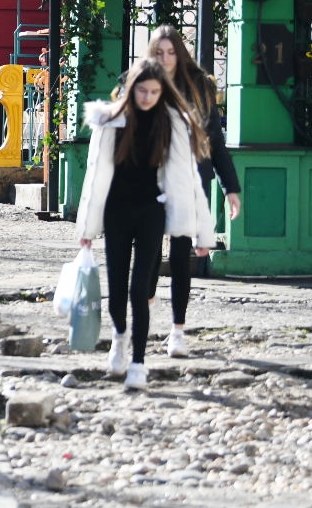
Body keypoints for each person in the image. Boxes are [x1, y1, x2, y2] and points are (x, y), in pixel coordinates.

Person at [76, 58, 216, 390]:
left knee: (141, 289)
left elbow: (188, 180)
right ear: (132, 89)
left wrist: (201, 230)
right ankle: (119, 337)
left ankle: (139, 363)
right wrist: (86, 229)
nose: (148, 97)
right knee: (118, 289)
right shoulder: (111, 121)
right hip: (116, 211)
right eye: (142, 90)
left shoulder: (173, 123)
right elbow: (94, 178)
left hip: (151, 211)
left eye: (155, 91)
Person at [147, 23, 243, 357]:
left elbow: (215, 140)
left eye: (171, 52)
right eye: (160, 53)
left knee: (179, 255)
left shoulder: (200, 86)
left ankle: (177, 331)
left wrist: (231, 187)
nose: (166, 59)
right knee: (146, 255)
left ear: (180, 53)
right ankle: (143, 316)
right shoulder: (144, 82)